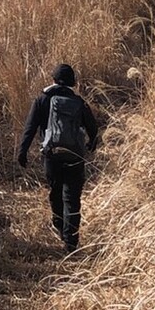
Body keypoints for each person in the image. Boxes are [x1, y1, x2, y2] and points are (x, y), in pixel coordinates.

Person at [17, 63, 99, 254]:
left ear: (53, 79)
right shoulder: (79, 102)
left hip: (52, 156)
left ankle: (60, 227)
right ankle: (71, 242)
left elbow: (30, 129)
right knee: (72, 198)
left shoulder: (42, 99)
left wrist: (22, 152)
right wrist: (90, 145)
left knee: (56, 194)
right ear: (73, 82)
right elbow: (93, 130)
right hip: (75, 156)